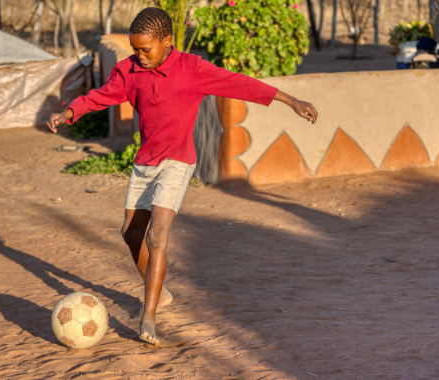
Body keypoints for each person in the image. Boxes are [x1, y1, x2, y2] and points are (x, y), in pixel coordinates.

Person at [47, 7, 318, 345]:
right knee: (131, 234)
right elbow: (102, 97)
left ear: (167, 41)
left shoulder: (192, 69)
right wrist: (70, 111)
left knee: (156, 236)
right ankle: (160, 292)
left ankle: (148, 317)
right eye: (135, 49)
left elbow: (239, 84)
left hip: (177, 161)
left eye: (146, 49)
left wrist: (291, 101)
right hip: (145, 161)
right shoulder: (129, 70)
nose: (140, 56)